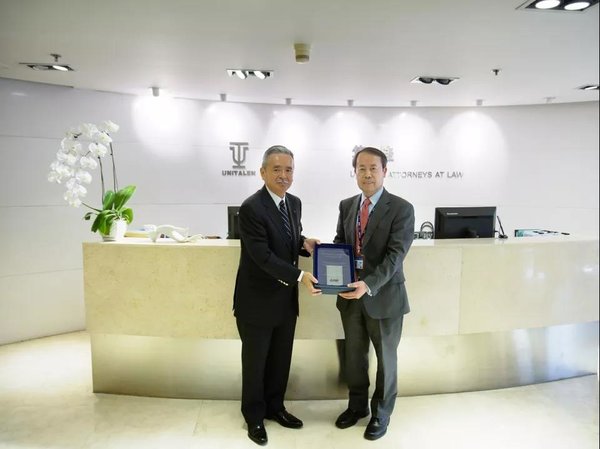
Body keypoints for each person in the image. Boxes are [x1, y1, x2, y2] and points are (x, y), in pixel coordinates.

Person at [233, 145, 321, 446]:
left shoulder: (293, 203)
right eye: (277, 169)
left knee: (281, 359)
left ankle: (275, 407)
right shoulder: (251, 207)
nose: (284, 175)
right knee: (255, 363)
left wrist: (304, 243)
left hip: (285, 301)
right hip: (256, 301)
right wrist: (300, 276)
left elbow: (286, 239)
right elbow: (262, 255)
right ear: (263, 172)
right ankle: (254, 417)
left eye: (289, 170)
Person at [333, 146, 414, 441]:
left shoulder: (401, 208)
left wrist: (368, 284)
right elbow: (341, 244)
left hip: (384, 297)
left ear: (384, 171)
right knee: (354, 358)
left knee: (386, 360)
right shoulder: (347, 206)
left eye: (373, 168)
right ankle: (357, 407)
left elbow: (395, 256)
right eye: (361, 169)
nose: (367, 174)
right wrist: (329, 271)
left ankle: (381, 413)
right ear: (355, 172)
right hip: (350, 296)